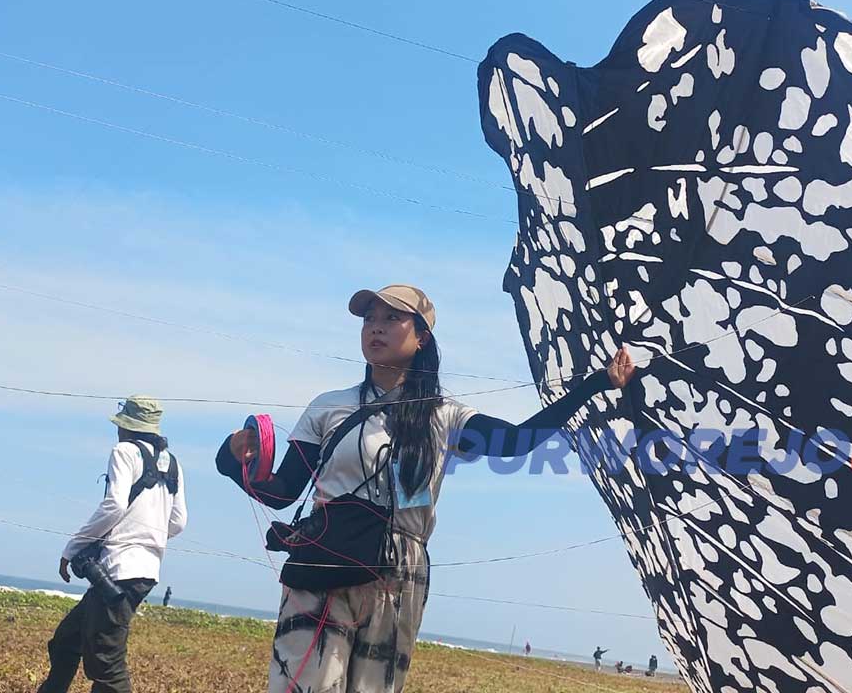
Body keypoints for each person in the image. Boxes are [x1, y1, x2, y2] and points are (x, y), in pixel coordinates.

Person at [216, 284, 636, 693]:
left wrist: (595, 384)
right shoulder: (329, 405)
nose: (375, 327)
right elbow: (283, 491)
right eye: (369, 319)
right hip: (328, 556)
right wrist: (233, 461)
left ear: (422, 337)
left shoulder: (445, 415)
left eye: (392, 318)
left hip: (400, 569)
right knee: (306, 682)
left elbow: (516, 442)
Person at [38, 396, 188, 693]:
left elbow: (114, 506)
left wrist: (73, 548)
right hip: (144, 570)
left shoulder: (124, 451)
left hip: (119, 569)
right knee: (67, 640)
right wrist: (148, 538)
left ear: (127, 428)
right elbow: (179, 521)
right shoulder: (173, 464)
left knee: (107, 666)